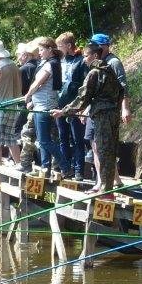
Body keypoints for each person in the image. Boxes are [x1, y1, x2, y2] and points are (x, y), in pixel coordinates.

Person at [52, 40, 126, 193]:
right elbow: (120, 91)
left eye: (86, 56)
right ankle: (108, 186)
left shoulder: (94, 73)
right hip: (113, 114)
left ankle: (105, 188)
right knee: (110, 150)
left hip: (102, 116)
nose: (84, 59)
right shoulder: (109, 70)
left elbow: (82, 98)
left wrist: (63, 111)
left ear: (94, 55)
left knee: (103, 150)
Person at [23, 36, 64, 174]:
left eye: (41, 50)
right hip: (42, 105)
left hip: (43, 107)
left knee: (44, 141)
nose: (39, 52)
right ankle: (45, 167)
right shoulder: (53, 62)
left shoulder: (49, 65)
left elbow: (38, 83)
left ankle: (65, 165)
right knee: (43, 140)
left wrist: (28, 95)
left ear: (50, 49)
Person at [56, 32, 88, 180]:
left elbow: (85, 86)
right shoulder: (60, 62)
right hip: (60, 105)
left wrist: (82, 106)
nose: (58, 49)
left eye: (60, 46)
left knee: (77, 138)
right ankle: (65, 167)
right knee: (63, 137)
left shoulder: (81, 61)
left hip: (75, 105)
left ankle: (79, 170)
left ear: (68, 46)